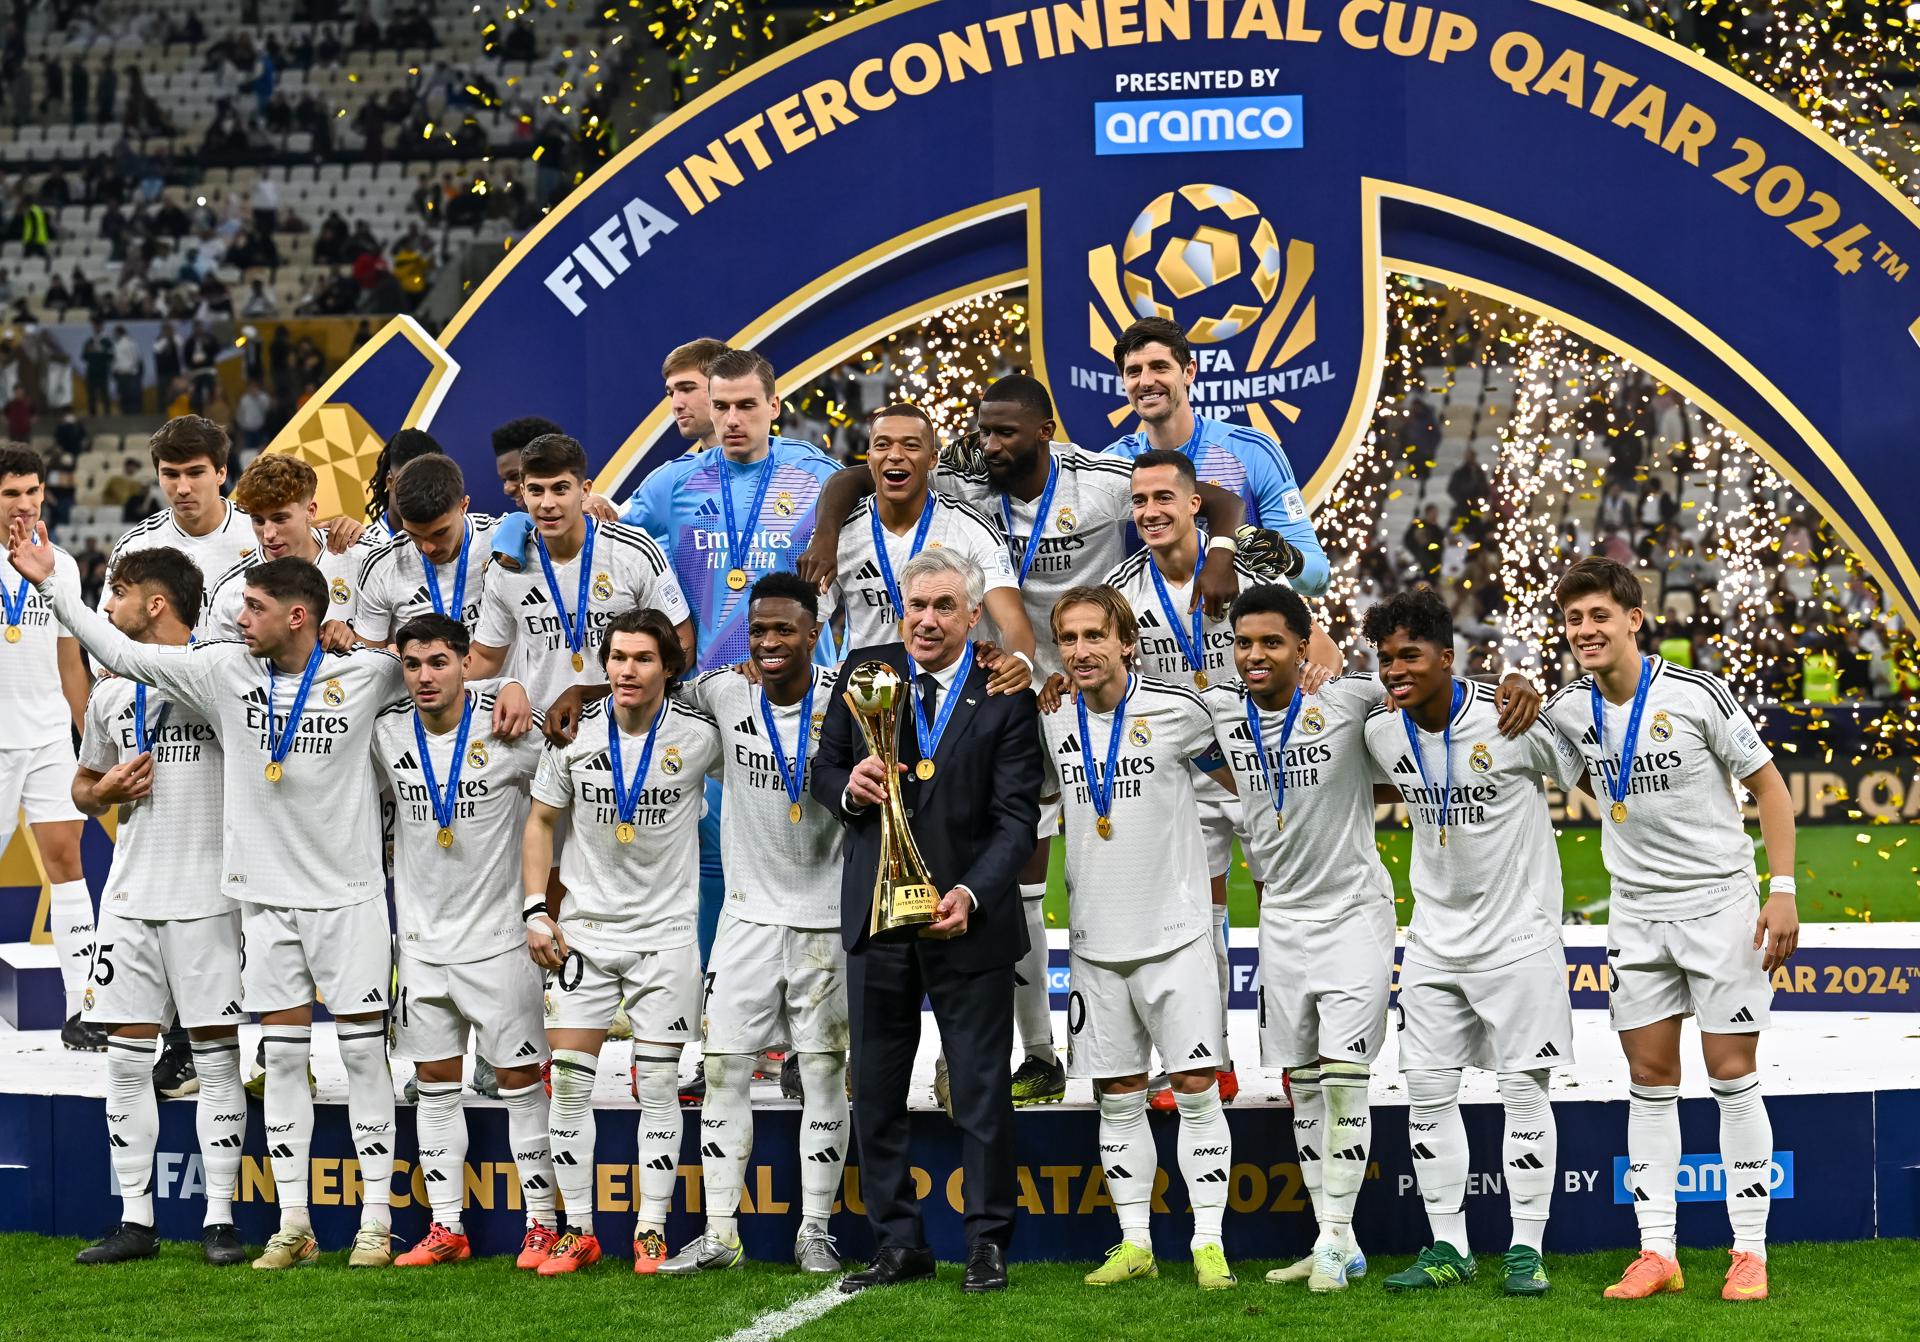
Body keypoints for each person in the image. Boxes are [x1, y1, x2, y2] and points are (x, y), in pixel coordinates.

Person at [6, 534, 528, 1270]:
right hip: (264, 904)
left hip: (349, 900)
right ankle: (293, 1225)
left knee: (363, 1059)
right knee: (282, 1063)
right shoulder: (223, 669)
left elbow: (441, 673)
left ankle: (376, 1223)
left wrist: (508, 687)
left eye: (254, 607)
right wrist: (55, 590)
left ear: (300, 616)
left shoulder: (368, 673)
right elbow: (122, 657)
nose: (238, 616)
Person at [798, 375, 1250, 1106]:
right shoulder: (967, 476)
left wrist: (1223, 547)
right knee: (998, 880)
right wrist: (825, 529)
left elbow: (1212, 499)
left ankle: (1198, 1047)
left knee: (1121, 866)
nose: (990, 444)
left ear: (1044, 431)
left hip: (1062, 691)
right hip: (974, 707)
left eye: (1006, 432)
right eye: (982, 430)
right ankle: (1035, 1051)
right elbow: (863, 469)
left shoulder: (1096, 482)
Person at [1544, 558, 1797, 1303]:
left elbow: (1770, 787)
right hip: (1637, 912)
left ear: (1633, 618)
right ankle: (1658, 1252)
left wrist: (1780, 891)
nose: (1585, 631)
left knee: (1730, 1075)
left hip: (1721, 904)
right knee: (1650, 1081)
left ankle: (1748, 1252)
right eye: (1573, 620)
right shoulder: (1567, 709)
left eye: (1598, 616)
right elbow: (1586, 774)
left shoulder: (1694, 693)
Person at [811, 548, 1042, 1296]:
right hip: (879, 919)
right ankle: (897, 1243)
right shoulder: (865, 674)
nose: (928, 620)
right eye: (918, 606)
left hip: (966, 923)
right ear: (900, 609)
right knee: (875, 1090)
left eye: (946, 606)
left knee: (979, 1092)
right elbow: (822, 770)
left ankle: (987, 1245)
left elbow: (1017, 818)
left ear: (974, 616)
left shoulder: (1004, 692)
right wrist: (849, 788)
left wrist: (971, 893)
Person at [1361, 586, 1587, 1297]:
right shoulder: (1381, 731)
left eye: (1411, 655)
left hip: (1519, 939)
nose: (1396, 669)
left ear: (1448, 657)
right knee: (1427, 1096)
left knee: (1524, 1094)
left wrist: (1533, 690)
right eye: (1386, 657)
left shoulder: (1507, 716)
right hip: (1432, 940)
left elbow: (1584, 765)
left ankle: (1526, 1246)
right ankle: (1448, 1245)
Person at [1104, 450, 1338, 1103]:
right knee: (1194, 925)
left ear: (1193, 504)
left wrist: (1317, 677)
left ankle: (1298, 1059)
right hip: (1188, 778)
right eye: (1140, 501)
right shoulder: (1124, 590)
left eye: (1162, 499)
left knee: (1284, 916)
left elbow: (1323, 650)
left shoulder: (1251, 567)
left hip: (1268, 771)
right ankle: (1208, 1061)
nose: (1150, 512)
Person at [1041, 585, 1238, 1291]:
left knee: (1194, 1088)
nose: (1081, 650)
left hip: (1177, 936)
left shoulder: (1179, 710)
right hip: (1095, 942)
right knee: (1118, 1095)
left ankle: (1208, 1242)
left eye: (1096, 635)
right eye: (1068, 638)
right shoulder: (1052, 715)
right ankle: (1135, 1243)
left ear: (1128, 642)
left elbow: (1241, 781)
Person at [521, 609, 720, 1276]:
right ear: (603, 666)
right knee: (570, 1088)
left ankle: (652, 1230)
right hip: (584, 935)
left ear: (668, 668)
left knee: (658, 1087)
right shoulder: (571, 736)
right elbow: (541, 822)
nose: (628, 669)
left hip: (664, 938)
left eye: (642, 659)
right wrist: (533, 911)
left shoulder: (698, 735)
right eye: (618, 658)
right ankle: (578, 1229)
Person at [659, 573, 847, 1276]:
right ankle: (719, 1236)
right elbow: (649, 687)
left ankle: (816, 1232)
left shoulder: (850, 701)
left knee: (825, 1075)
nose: (767, 643)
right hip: (744, 922)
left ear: (813, 632)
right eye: (757, 631)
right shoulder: (723, 691)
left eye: (783, 630)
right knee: (726, 1073)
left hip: (827, 921)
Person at [68, 548, 247, 1268]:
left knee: (218, 1060)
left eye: (118, 592)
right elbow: (82, 786)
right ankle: (135, 1220)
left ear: (157, 604)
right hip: (131, 898)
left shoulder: (220, 679)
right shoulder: (110, 694)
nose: (108, 605)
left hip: (210, 898)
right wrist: (104, 791)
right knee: (126, 1062)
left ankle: (221, 1220)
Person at [371, 614, 559, 1270]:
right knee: (434, 1083)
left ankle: (541, 1223)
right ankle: (446, 1225)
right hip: (422, 945)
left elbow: (562, 786)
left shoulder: (507, 725)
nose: (425, 676)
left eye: (438, 663)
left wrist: (519, 688)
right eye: (413, 664)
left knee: (518, 1083)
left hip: (501, 941)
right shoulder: (386, 731)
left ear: (464, 664)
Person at [469, 432, 691, 720]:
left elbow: (682, 645)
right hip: (545, 732)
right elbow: (487, 657)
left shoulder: (633, 551)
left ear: (585, 490)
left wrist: (593, 695)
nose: (547, 503)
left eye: (560, 489)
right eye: (536, 490)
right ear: (522, 492)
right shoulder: (506, 567)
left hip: (629, 727)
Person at [1103, 317, 1328, 595]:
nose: (1146, 381)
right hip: (1150, 634)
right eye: (1134, 371)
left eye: (1160, 367)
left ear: (1189, 372)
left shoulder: (1253, 451)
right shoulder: (1111, 464)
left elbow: (1318, 578)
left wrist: (1290, 561)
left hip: (1241, 631)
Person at [0, 444, 99, 1051]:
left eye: (33, 491)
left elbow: (72, 662)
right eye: (12, 493)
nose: (26, 503)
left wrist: (91, 742)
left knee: (66, 862)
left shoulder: (60, 564)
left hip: (46, 738)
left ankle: (81, 1007)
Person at [200, 453, 372, 644]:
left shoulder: (360, 556)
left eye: (280, 519)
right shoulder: (230, 588)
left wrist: (353, 642)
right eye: (258, 520)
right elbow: (221, 668)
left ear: (311, 511)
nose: (268, 534)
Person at [103, 417, 255, 603]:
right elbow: (109, 628)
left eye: (195, 473)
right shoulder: (135, 547)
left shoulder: (260, 532)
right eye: (171, 474)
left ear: (221, 474)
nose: (183, 488)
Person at [355, 453, 499, 641]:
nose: (428, 548)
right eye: (413, 534)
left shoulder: (499, 539)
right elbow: (370, 661)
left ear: (463, 506)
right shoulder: (381, 567)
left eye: (440, 533)